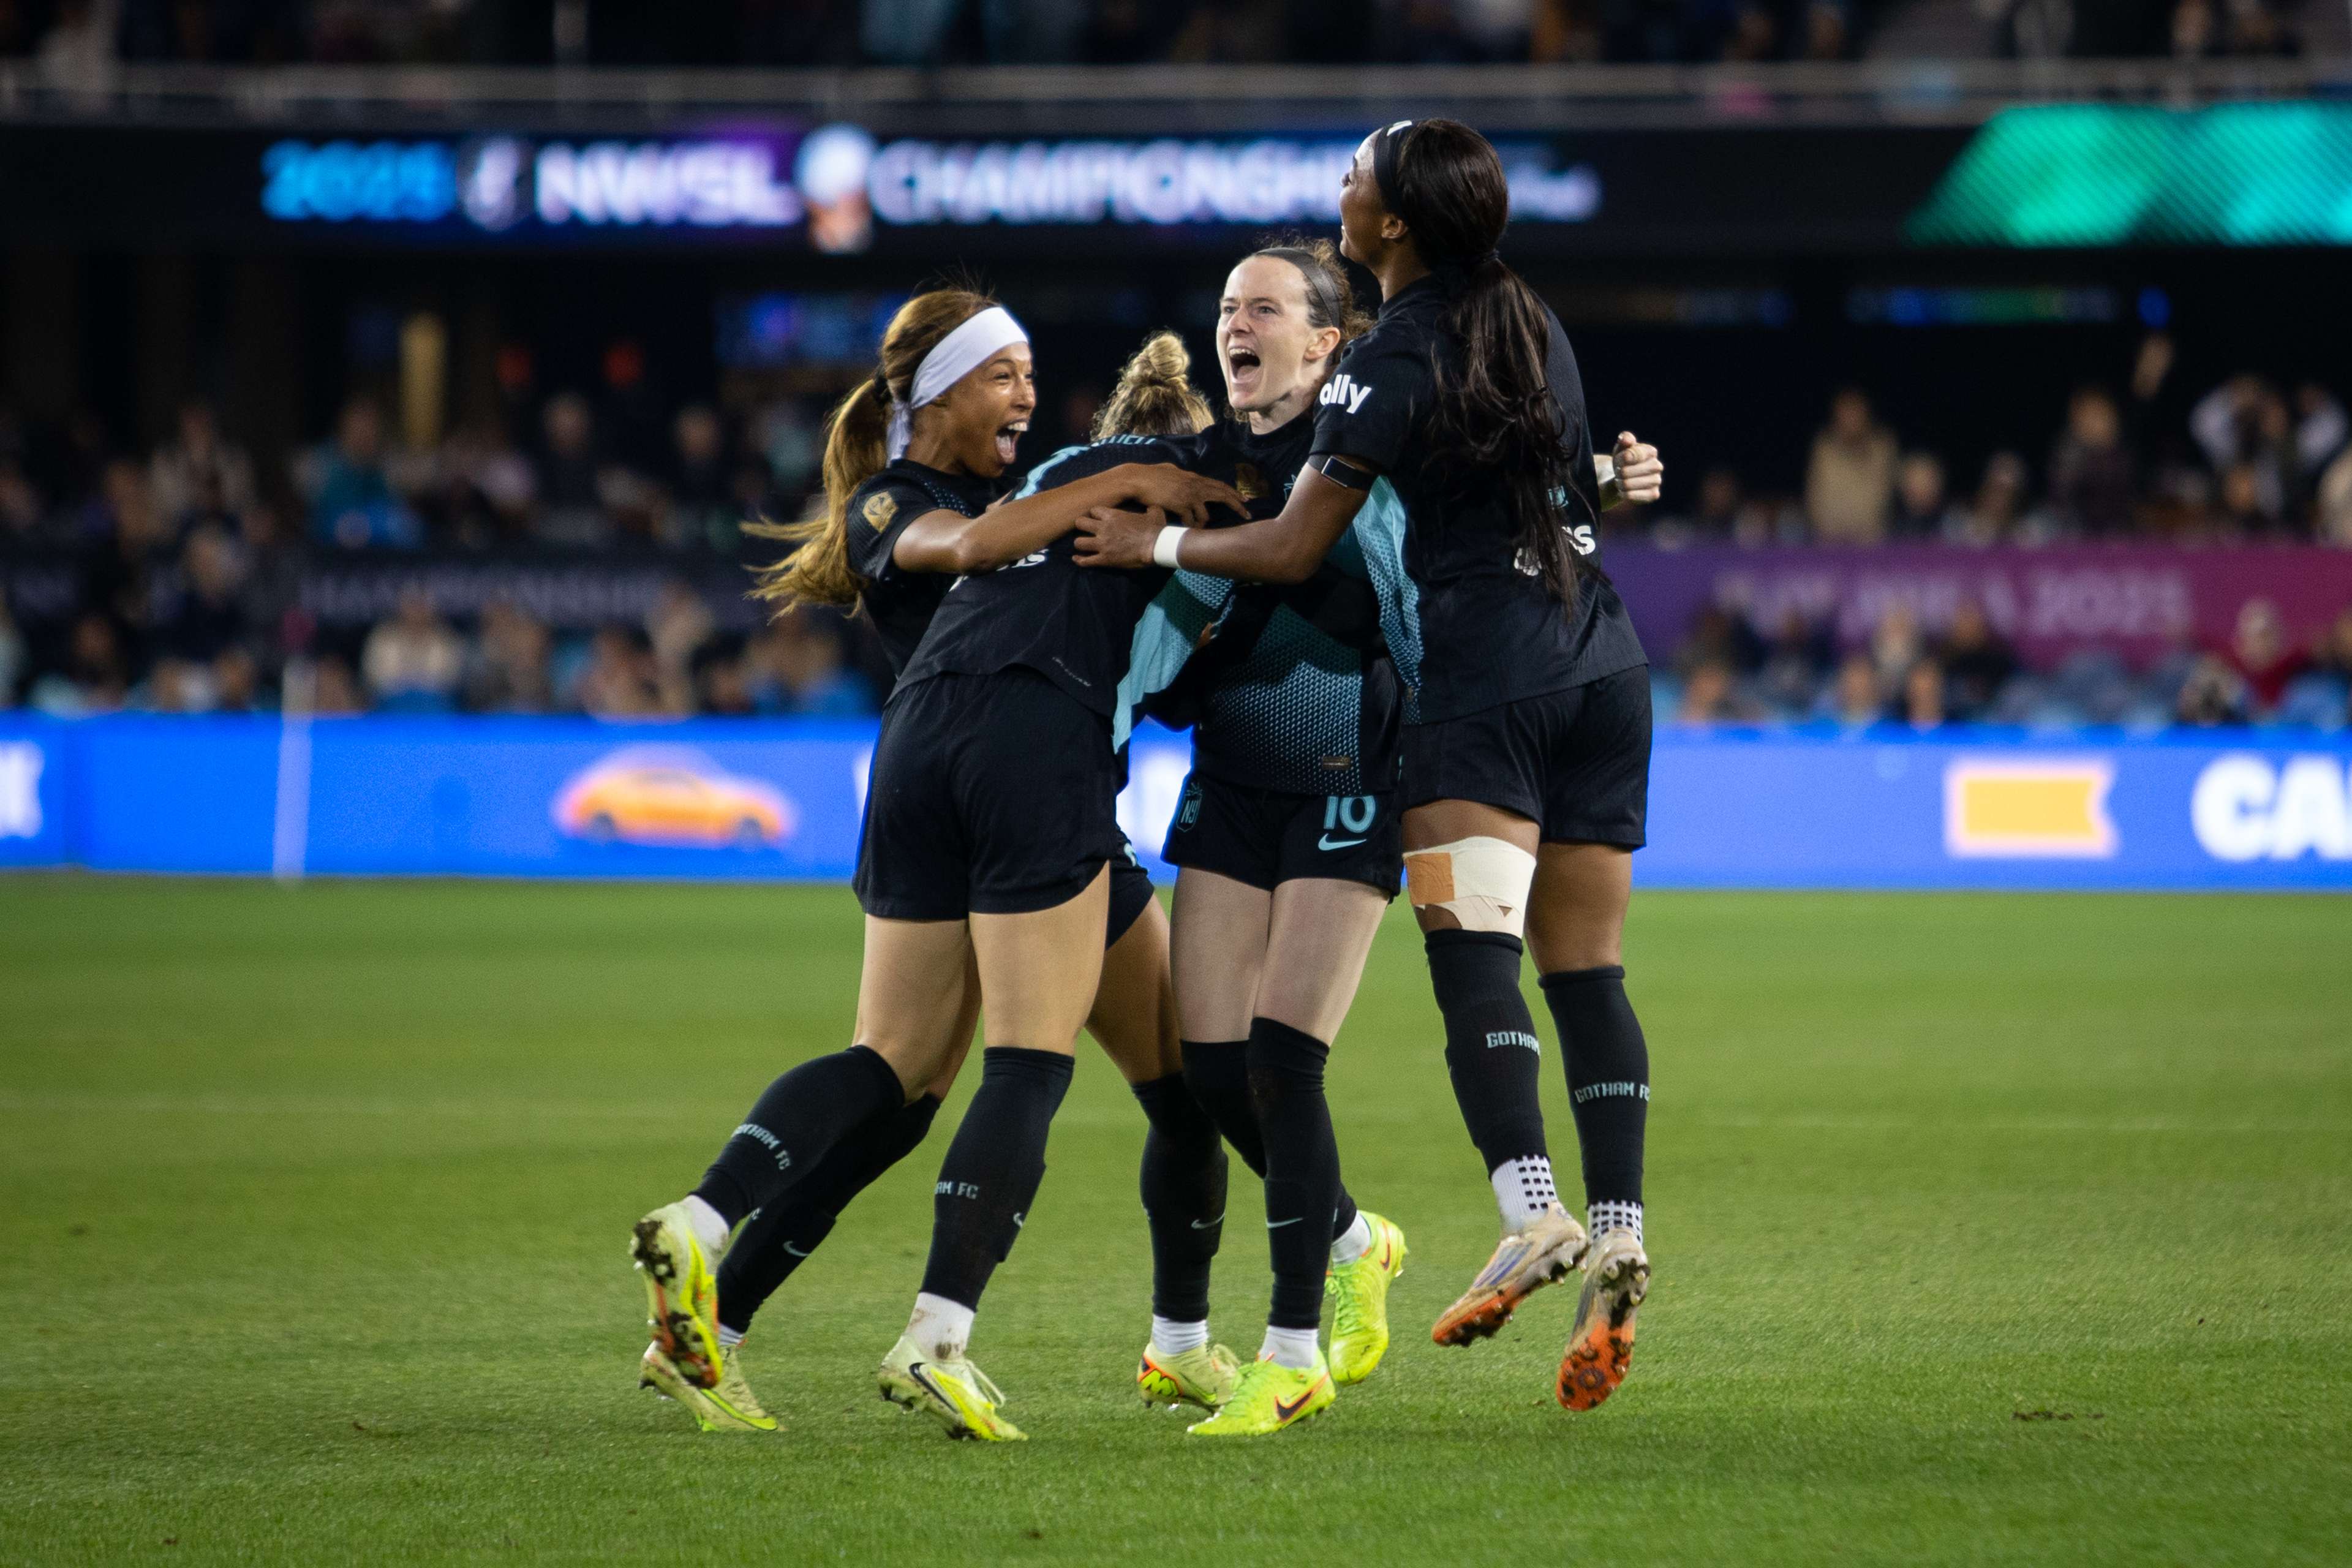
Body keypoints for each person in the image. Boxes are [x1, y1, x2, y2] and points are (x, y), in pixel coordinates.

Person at [1079, 119, 1660, 1419]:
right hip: (1607, 668)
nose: (1338, 190)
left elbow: (1293, 547)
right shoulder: (1532, 319)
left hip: (1488, 685)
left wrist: (1154, 550)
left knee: (1476, 961)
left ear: (1391, 223)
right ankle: (1619, 1223)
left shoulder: (1390, 352)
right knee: (1591, 973)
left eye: (1352, 177)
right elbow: (1562, 496)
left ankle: (1531, 1212)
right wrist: (1619, 482)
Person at [628, 290, 1247, 1442]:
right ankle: (935, 1330)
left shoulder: (1026, 491)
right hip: (1017, 791)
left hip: (979, 785)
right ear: (937, 391)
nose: (1023, 394)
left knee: (917, 1086)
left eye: (1029, 376)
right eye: (1001, 373)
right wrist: (1128, 483)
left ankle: (716, 1284)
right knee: (1019, 1064)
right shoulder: (896, 502)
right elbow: (971, 550)